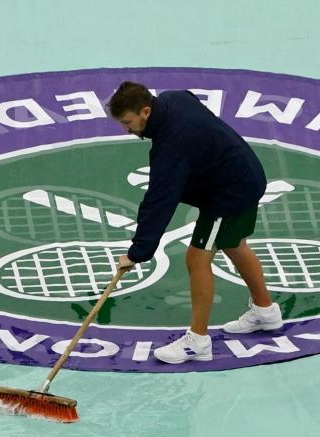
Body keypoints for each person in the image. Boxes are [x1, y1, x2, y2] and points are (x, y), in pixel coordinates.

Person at [107, 81, 283, 364]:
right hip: (245, 173)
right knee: (234, 245)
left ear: (146, 111)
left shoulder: (171, 147)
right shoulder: (174, 97)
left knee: (197, 257)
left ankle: (198, 342)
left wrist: (137, 252)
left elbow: (159, 202)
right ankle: (266, 311)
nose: (127, 130)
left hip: (229, 192)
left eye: (128, 122)